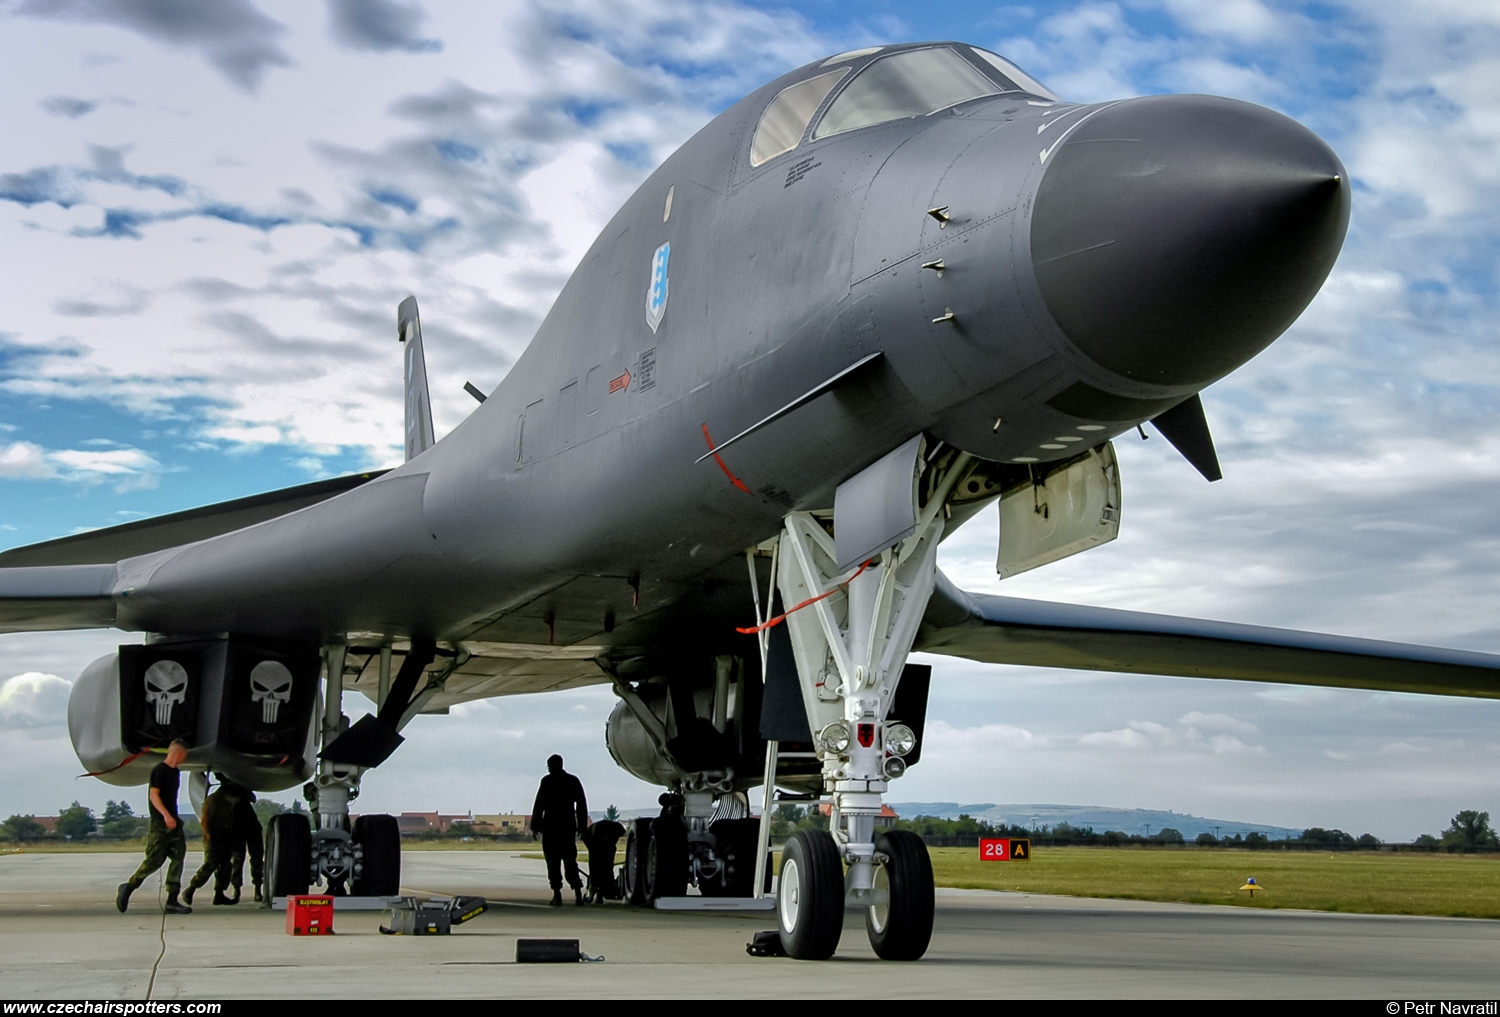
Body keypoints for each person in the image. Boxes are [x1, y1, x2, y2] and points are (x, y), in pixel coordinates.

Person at [116, 739, 191, 914]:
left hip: (174, 823)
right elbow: (154, 795)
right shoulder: (160, 770)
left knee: (178, 857)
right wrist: (165, 815)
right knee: (154, 861)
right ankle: (129, 886)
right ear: (179, 753)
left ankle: (172, 900)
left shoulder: (175, 772)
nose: (184, 758)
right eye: (184, 755)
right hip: (160, 823)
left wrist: (173, 818)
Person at [183, 777, 262, 905]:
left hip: (226, 836)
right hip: (218, 838)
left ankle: (219, 894)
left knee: (225, 866)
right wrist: (212, 840)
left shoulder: (229, 799)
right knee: (214, 864)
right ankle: (192, 889)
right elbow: (206, 822)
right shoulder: (217, 800)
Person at [531, 754, 588, 906]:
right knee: (570, 862)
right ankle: (578, 894)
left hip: (551, 829)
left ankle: (557, 894)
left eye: (549, 766)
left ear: (553, 765)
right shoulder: (572, 781)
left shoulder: (547, 781)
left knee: (553, 862)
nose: (549, 769)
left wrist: (535, 826)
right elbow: (581, 805)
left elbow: (539, 805)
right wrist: (582, 826)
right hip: (567, 828)